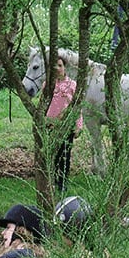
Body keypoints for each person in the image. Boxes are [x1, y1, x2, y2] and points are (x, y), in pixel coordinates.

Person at [46, 56, 83, 192]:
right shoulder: (48, 85)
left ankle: (62, 183)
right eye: (54, 66)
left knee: (65, 155)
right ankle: (52, 180)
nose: (57, 69)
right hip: (52, 125)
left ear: (65, 67)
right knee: (53, 154)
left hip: (67, 125)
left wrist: (78, 125)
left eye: (60, 65)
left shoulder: (72, 85)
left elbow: (77, 106)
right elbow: (44, 103)